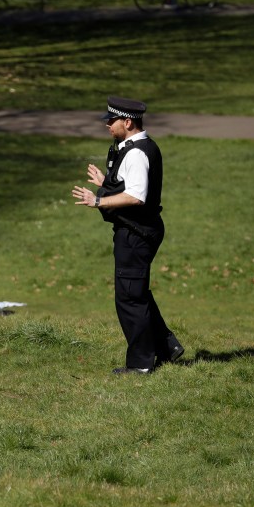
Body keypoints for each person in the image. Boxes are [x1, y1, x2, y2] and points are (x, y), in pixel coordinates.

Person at [71, 96, 184, 374]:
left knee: (130, 298)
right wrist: (104, 184)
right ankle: (168, 347)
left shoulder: (136, 153)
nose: (108, 125)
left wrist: (98, 200)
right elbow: (128, 185)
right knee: (137, 293)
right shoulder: (138, 147)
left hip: (135, 235)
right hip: (139, 232)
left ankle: (141, 365)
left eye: (112, 121)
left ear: (128, 122)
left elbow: (135, 196)